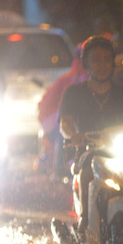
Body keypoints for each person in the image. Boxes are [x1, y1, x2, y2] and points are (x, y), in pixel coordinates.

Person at [58, 35, 123, 240]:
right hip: (90, 152)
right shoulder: (74, 93)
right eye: (96, 59)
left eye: (106, 59)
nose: (102, 65)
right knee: (88, 171)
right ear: (86, 63)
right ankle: (85, 222)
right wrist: (74, 136)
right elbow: (65, 124)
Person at [38, 43, 88, 178]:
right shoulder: (70, 79)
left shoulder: (70, 78)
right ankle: (58, 170)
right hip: (65, 122)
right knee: (62, 137)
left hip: (85, 123)